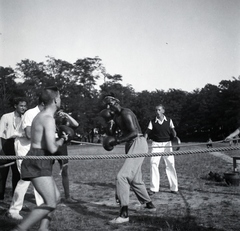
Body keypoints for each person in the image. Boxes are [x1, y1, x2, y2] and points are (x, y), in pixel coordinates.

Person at [11, 86, 69, 231]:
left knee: (55, 198)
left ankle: (43, 229)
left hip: (38, 158)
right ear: (55, 100)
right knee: (50, 202)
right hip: (38, 160)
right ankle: (19, 229)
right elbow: (52, 148)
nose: (61, 100)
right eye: (60, 97)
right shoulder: (48, 118)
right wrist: (63, 139)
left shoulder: (41, 115)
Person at [102, 95, 156, 225]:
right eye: (106, 105)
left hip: (138, 142)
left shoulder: (126, 113)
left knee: (122, 176)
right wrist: (109, 126)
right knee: (135, 179)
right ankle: (149, 205)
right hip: (130, 145)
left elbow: (133, 133)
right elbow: (111, 135)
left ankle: (124, 214)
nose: (108, 107)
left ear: (116, 102)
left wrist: (117, 141)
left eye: (110, 103)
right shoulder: (115, 117)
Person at [6, 97, 45, 220]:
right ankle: (13, 210)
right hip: (23, 146)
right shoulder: (30, 113)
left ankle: (42, 206)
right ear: (44, 103)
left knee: (38, 175)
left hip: (34, 147)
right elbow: (28, 135)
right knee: (26, 177)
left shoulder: (43, 114)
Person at [144, 104, 178, 195]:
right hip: (156, 144)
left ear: (163, 111)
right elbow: (147, 132)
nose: (157, 112)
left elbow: (173, 131)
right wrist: (144, 141)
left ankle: (174, 188)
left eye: (159, 110)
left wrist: (175, 137)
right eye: (156, 110)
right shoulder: (152, 121)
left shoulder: (169, 120)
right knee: (153, 164)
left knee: (170, 164)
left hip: (167, 144)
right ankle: (154, 189)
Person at [0, 97, 27, 200]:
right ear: (15, 106)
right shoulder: (6, 117)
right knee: (2, 175)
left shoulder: (26, 118)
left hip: (18, 147)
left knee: (17, 175)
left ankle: (15, 200)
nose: (23, 108)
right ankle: (0, 199)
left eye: (25, 106)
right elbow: (0, 135)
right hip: (5, 145)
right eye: (21, 105)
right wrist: (0, 151)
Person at [55, 110, 79, 203]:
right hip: (52, 145)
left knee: (65, 171)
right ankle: (49, 195)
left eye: (62, 113)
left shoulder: (65, 124)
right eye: (59, 113)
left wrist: (66, 114)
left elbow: (76, 124)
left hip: (62, 148)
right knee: (47, 171)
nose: (61, 115)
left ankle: (67, 196)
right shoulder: (51, 120)